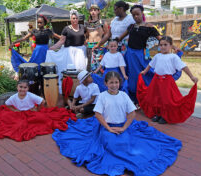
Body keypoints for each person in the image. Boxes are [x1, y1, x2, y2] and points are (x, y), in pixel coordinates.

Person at [52, 71, 182, 176]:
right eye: (111, 83)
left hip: (122, 126)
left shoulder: (124, 95)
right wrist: (108, 128)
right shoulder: (102, 96)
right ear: (106, 83)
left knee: (125, 144)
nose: (114, 85)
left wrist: (124, 127)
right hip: (105, 126)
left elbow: (132, 114)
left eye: (116, 82)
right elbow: (98, 114)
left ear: (119, 82)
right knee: (111, 144)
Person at [116, 4, 181, 103]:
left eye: (137, 14)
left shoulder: (149, 27)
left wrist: (174, 47)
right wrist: (112, 41)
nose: (136, 17)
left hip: (140, 55)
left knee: (143, 74)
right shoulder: (131, 27)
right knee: (131, 76)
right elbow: (120, 37)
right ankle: (133, 99)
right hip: (129, 55)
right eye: (133, 15)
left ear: (142, 13)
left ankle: (147, 94)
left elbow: (161, 39)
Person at [0, 80, 76, 141]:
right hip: (19, 114)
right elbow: (7, 104)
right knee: (8, 121)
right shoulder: (13, 97)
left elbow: (43, 101)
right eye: (20, 87)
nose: (22, 89)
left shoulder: (30, 95)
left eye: (25, 87)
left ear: (28, 88)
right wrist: (14, 109)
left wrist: (37, 109)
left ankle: (35, 117)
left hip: (30, 113)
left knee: (45, 119)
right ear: (17, 87)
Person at [138, 36, 198, 124]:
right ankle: (158, 113)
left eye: (165, 45)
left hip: (167, 81)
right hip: (156, 80)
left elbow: (183, 67)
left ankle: (164, 116)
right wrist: (145, 71)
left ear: (170, 46)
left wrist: (192, 77)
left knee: (166, 99)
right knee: (156, 98)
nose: (162, 47)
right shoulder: (157, 56)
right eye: (161, 45)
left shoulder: (173, 57)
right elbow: (150, 64)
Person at [46, 9, 87, 92]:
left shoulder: (83, 27)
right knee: (70, 71)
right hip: (70, 53)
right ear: (70, 19)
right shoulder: (66, 29)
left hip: (81, 52)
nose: (75, 20)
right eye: (73, 18)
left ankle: (81, 89)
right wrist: (52, 48)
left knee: (81, 71)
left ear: (78, 19)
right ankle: (70, 90)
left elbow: (86, 40)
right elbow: (61, 41)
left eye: (76, 18)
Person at [85, 0, 109, 72]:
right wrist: (86, 41)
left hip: (100, 48)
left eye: (95, 10)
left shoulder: (103, 23)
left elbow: (107, 35)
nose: (93, 12)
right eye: (91, 10)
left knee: (100, 69)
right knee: (90, 69)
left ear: (99, 11)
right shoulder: (87, 24)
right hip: (90, 48)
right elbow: (86, 36)